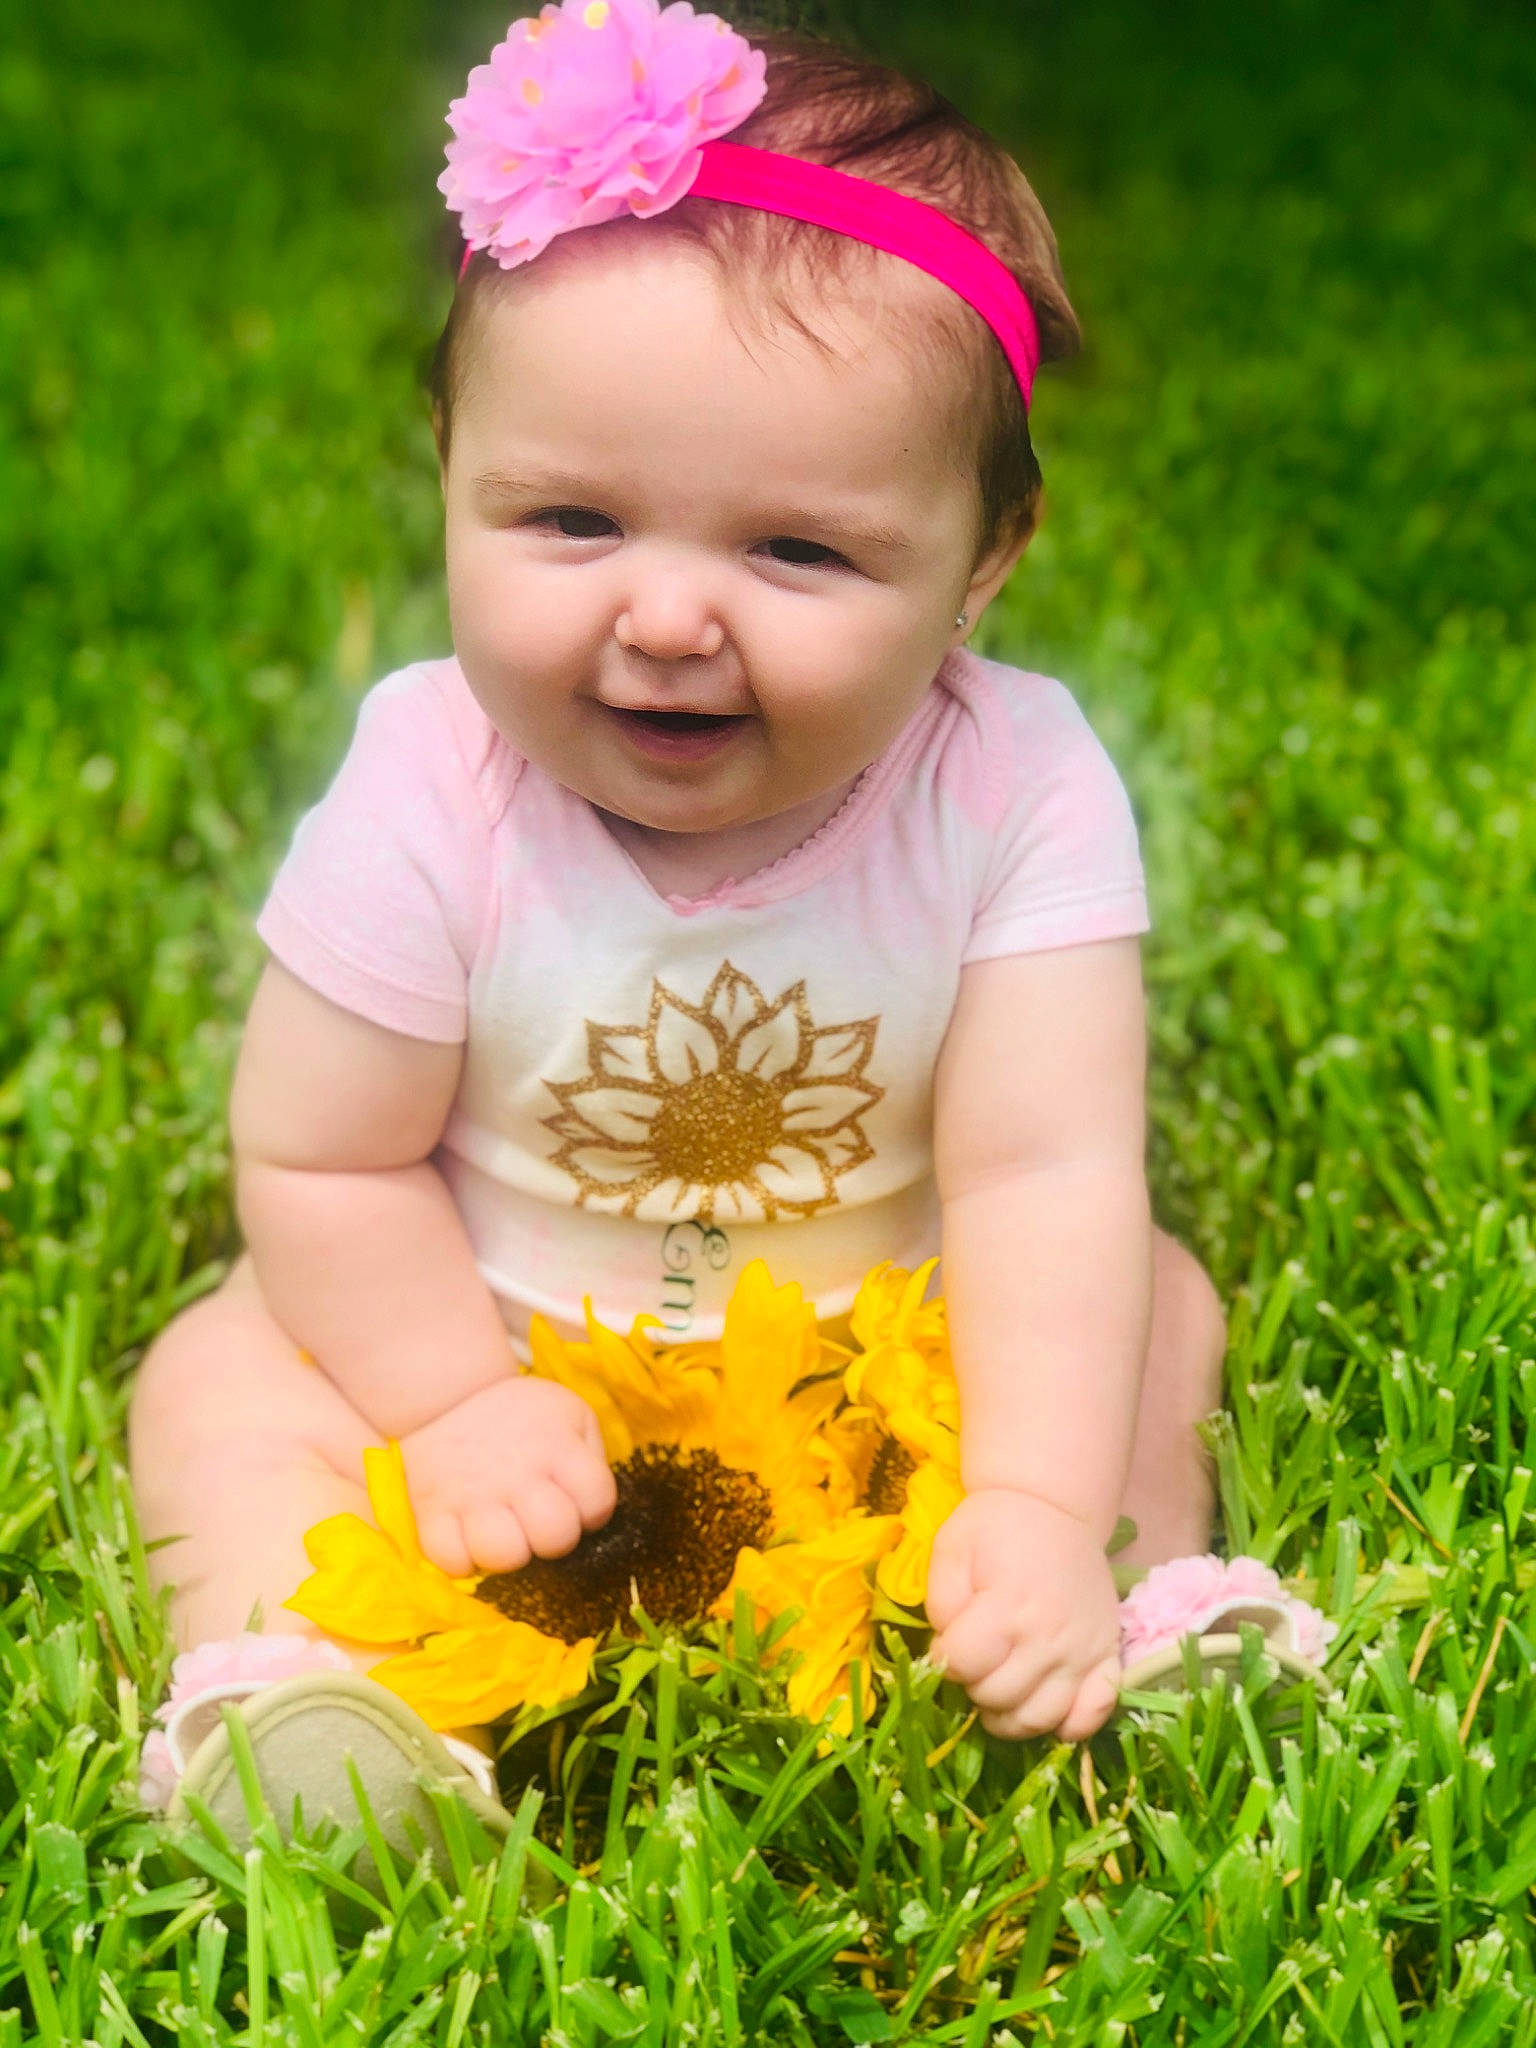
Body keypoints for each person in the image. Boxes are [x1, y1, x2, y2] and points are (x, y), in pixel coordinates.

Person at [129, 0, 1228, 1838]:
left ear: (983, 564)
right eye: (570, 521)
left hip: (886, 1342)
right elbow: (323, 1165)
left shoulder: (1016, 782)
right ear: (448, 468)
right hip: (478, 1336)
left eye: (796, 551)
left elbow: (1044, 1173)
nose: (664, 618)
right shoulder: (429, 784)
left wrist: (1030, 1492)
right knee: (219, 1378)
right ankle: (289, 1692)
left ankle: (1106, 1617)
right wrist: (456, 1402)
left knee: (1151, 1313)